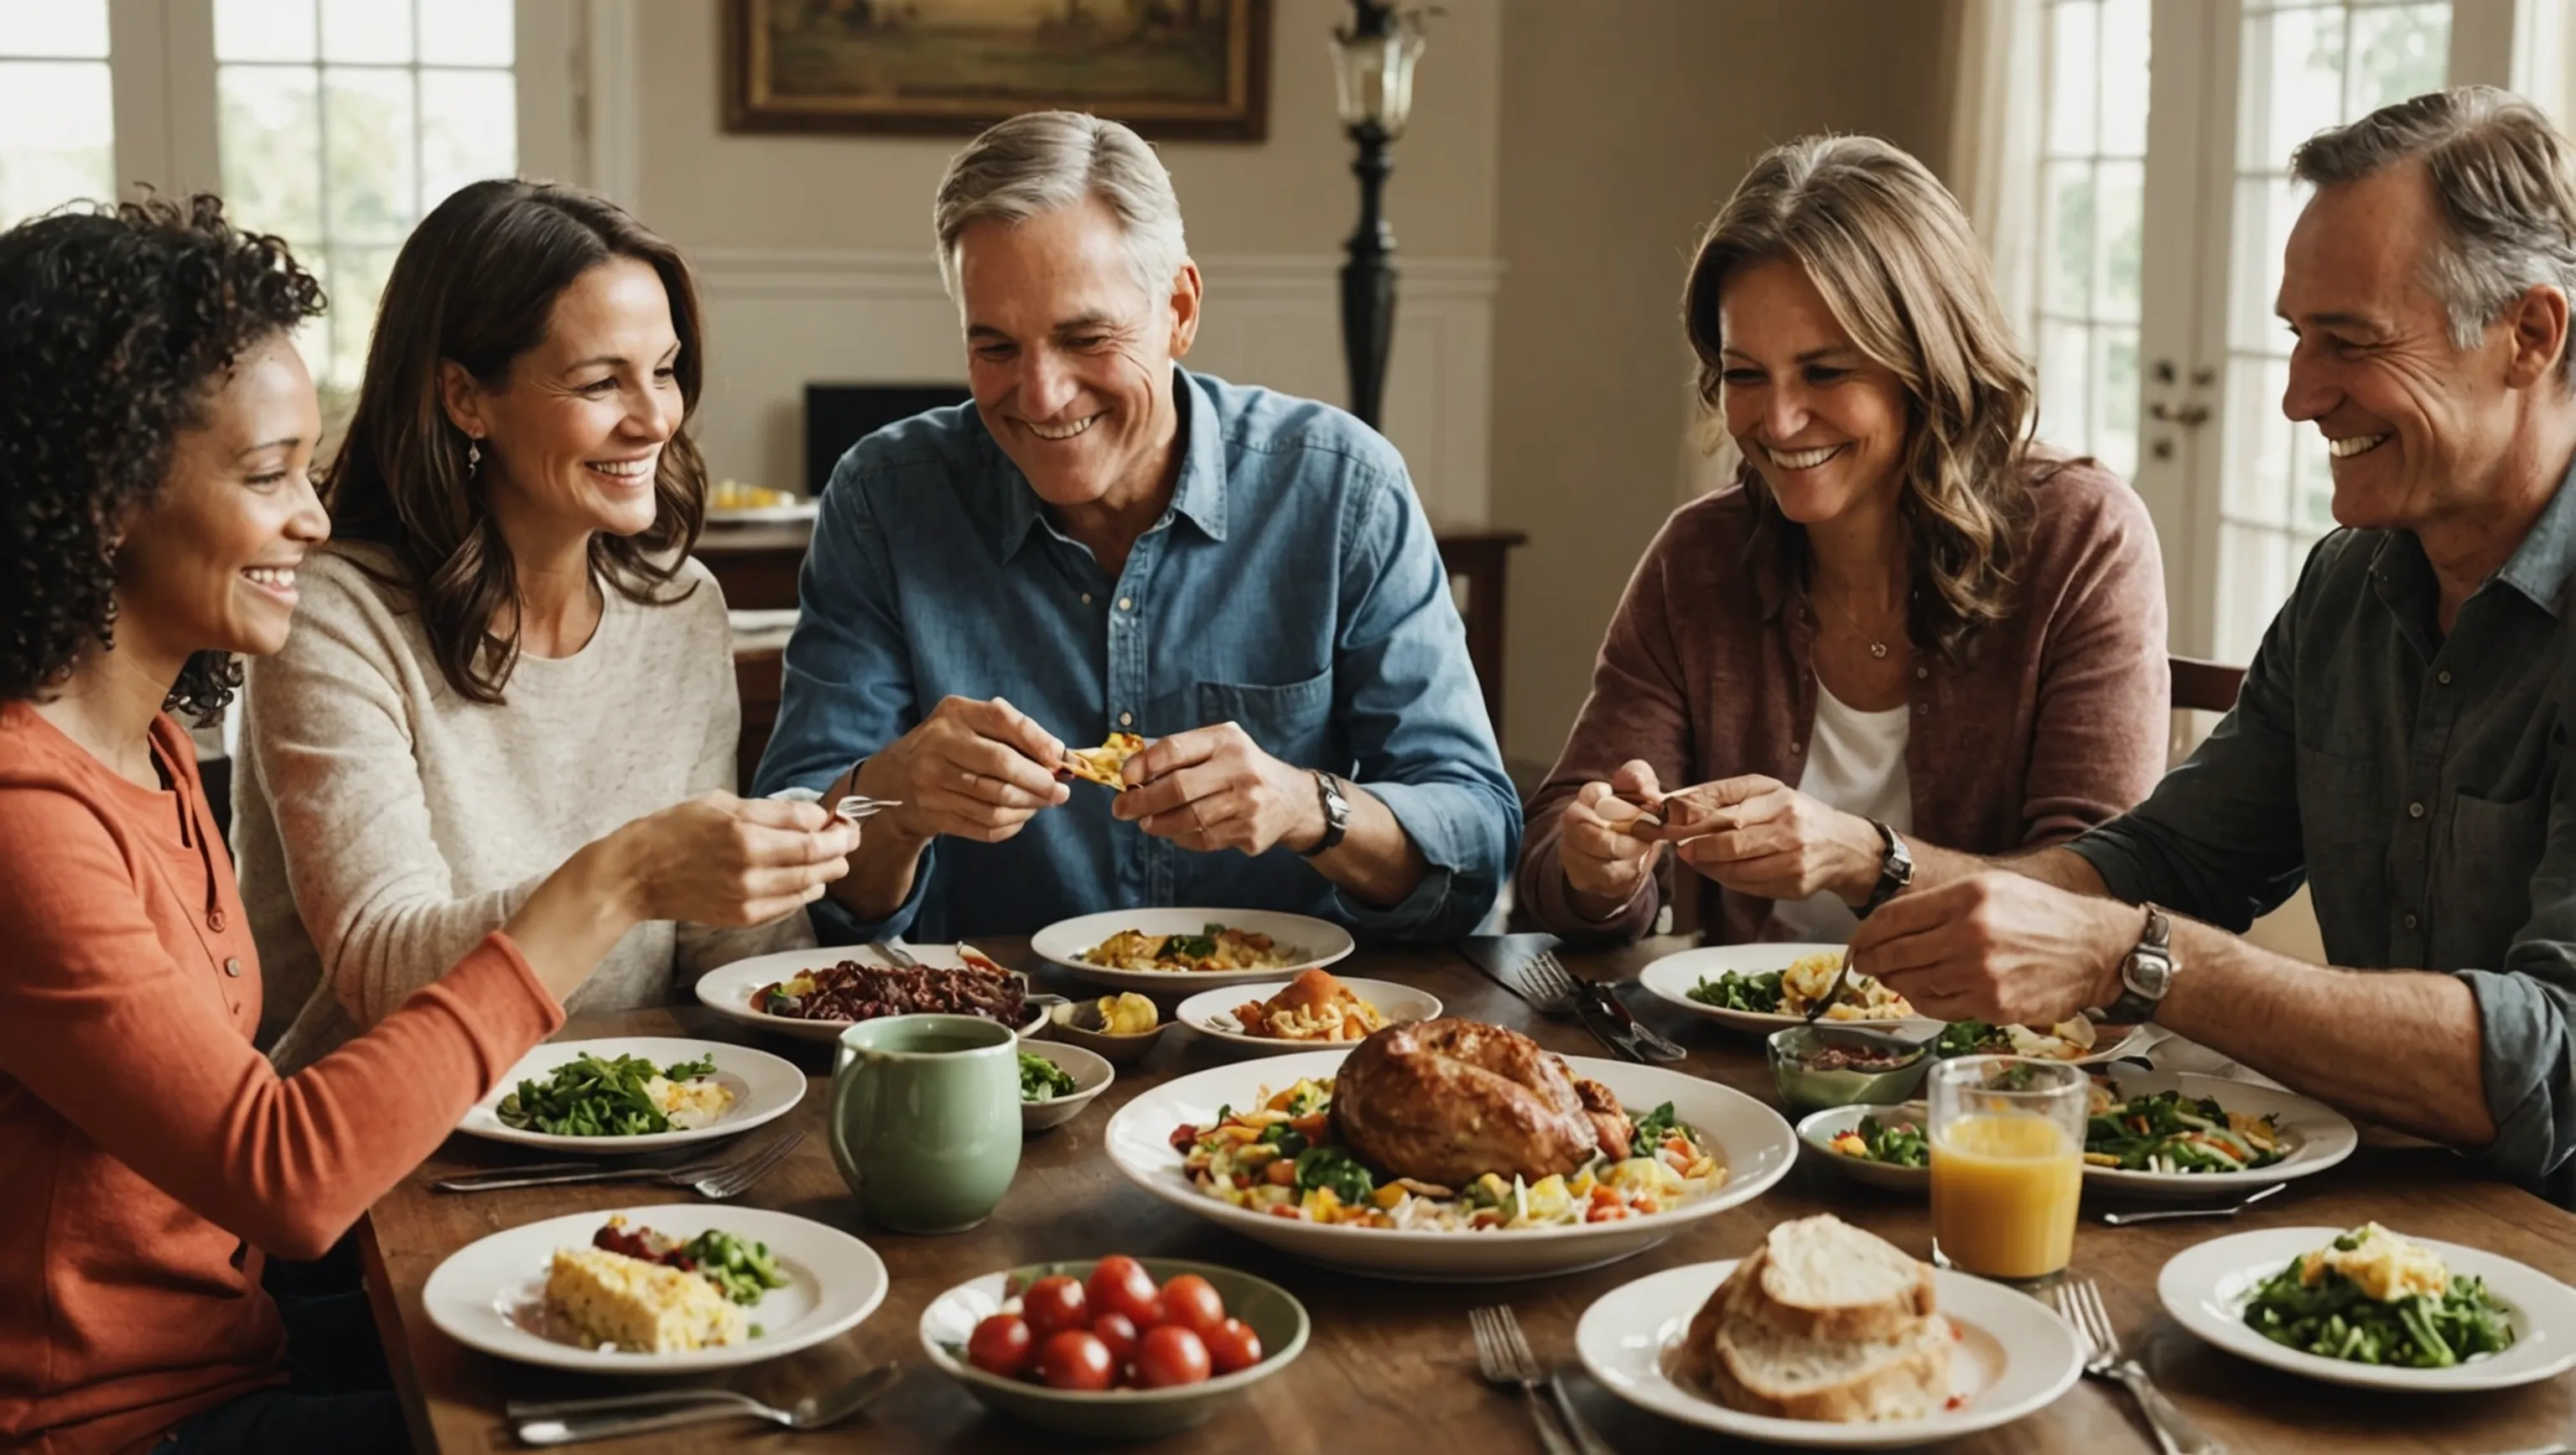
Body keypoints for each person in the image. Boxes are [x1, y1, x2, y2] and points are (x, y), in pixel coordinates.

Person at [0, 198, 854, 1452]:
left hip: (235, 1341)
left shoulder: (148, 745)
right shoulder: (28, 810)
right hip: (108, 1419)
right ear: (104, 502)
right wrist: (612, 880)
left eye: (307, 464)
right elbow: (285, 1173)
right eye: (266, 473)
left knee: (742, 1371)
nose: (310, 515)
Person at [1841, 88, 2576, 1200]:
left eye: (2350, 341)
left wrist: (2131, 958)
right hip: (2387, 1218)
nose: (2296, 396)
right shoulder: (2348, 584)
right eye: (2295, 337)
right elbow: (2171, 861)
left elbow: (2557, 1061)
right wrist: (1963, 920)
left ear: (2529, 335)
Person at [753, 111, 1519, 943]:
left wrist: (1310, 805)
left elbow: (1476, 838)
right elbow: (798, 830)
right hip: (995, 1042)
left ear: (1180, 309)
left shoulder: (1343, 489)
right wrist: (894, 793)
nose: (1041, 395)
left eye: (1086, 338)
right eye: (996, 348)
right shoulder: (883, 500)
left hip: (1282, 1042)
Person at [231, 180, 846, 1071]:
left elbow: (732, 958)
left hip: (647, 1109)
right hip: (393, 1143)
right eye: (602, 381)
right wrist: (632, 871)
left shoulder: (679, 606)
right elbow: (382, 973)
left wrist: (806, 868)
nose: (654, 419)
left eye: (665, 370)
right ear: (465, 398)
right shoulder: (336, 612)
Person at [1515, 135, 2168, 945]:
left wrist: (1867, 858)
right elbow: (1553, 854)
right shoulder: (1701, 555)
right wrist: (1594, 870)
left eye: (1826, 373)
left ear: (1930, 363)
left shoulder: (2083, 539)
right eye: (1746, 374)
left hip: (1996, 1061)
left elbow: (2102, 894)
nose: (1779, 421)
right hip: (1734, 1060)